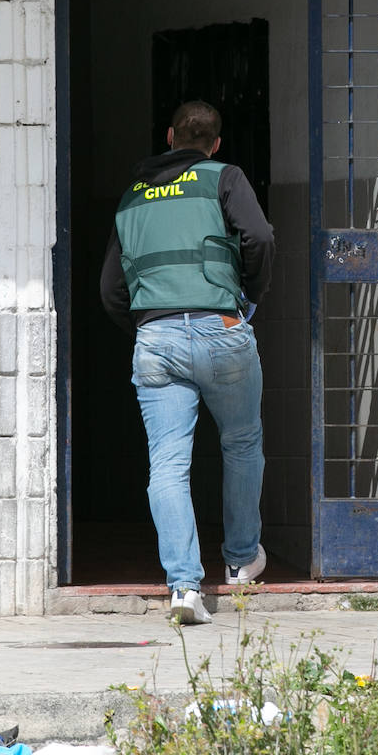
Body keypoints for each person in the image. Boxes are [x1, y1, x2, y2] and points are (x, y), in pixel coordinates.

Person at [99, 101, 276, 625]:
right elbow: (261, 238)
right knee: (242, 442)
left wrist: (149, 327)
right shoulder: (225, 177)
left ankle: (183, 588)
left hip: (155, 338)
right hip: (222, 328)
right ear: (215, 144)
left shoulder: (134, 195)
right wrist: (247, 298)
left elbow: (109, 289)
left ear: (170, 135)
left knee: (168, 465)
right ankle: (242, 561)